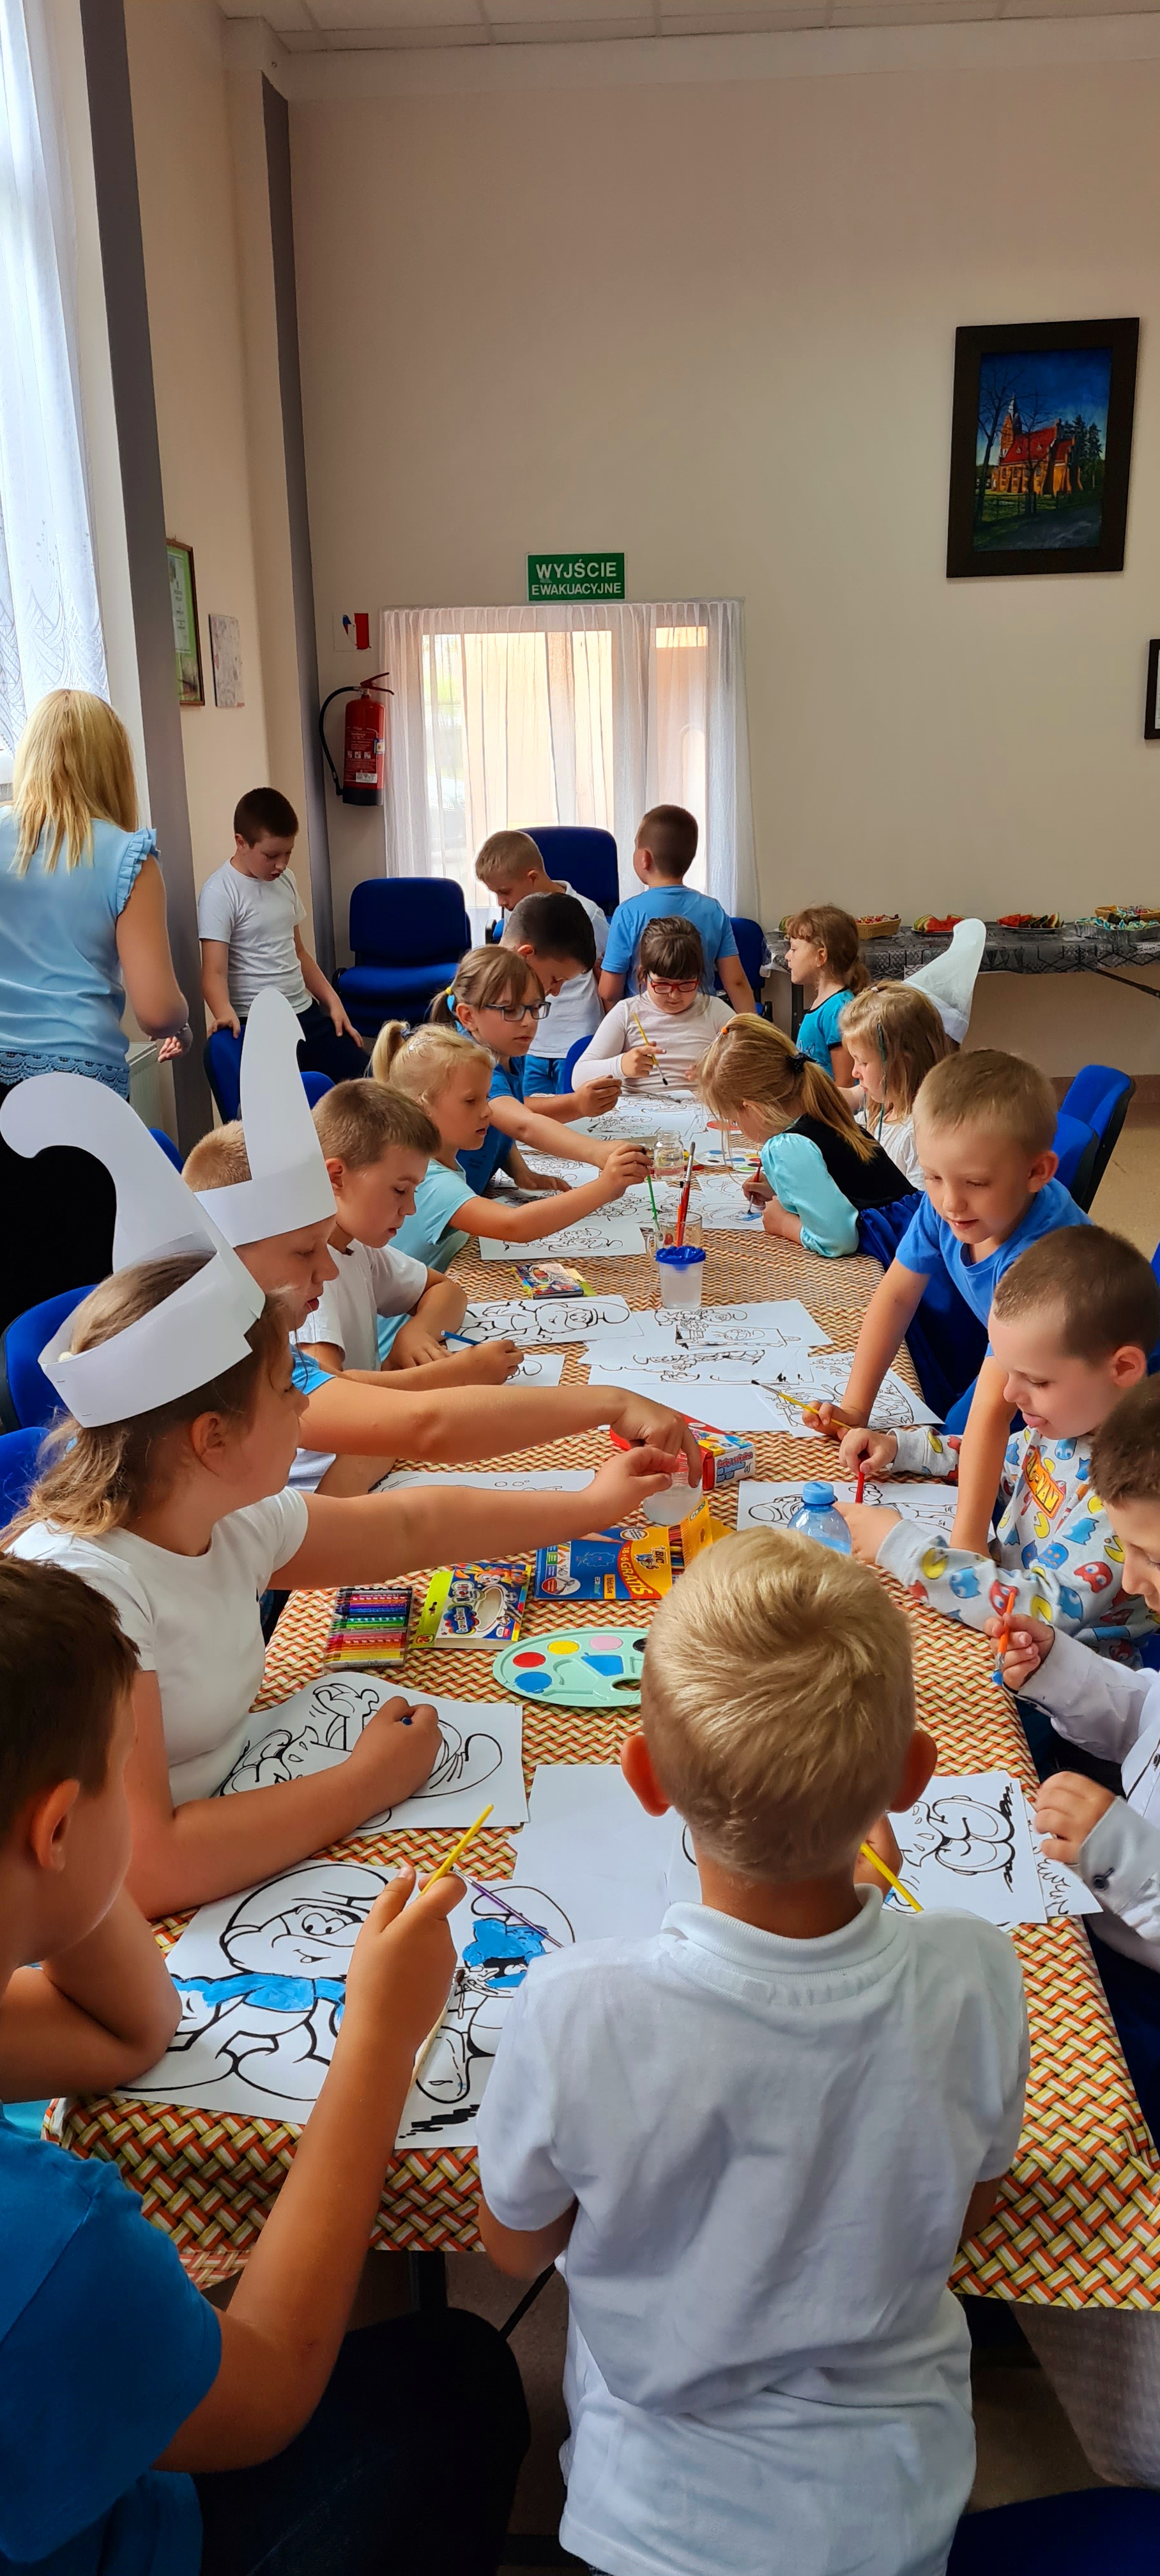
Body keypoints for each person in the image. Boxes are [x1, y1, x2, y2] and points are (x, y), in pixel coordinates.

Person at [477, 1527, 1028, 2576]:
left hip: (649, 2522)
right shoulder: (976, 1967)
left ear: (642, 1776)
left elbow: (512, 2249)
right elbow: (966, 2210)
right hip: (897, 2509)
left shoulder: (575, 2006)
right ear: (912, 1776)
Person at [0, 1556, 529, 2576]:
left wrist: (61, 1875)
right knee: (460, 2378)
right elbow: (269, 2391)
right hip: (131, 2532)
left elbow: (132, 2031)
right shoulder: (55, 2241)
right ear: (57, 1825)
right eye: (127, 1775)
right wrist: (379, 2034)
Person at [184, 990, 704, 1500]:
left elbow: (436, 1310)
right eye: (305, 1251)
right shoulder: (295, 1322)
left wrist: (417, 1351)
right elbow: (408, 1431)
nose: (328, 1266)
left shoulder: (338, 1261)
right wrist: (456, 1376)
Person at [836, 1227, 1159, 1667]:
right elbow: (1001, 1463)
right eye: (1008, 1372)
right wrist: (901, 1449)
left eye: (1037, 1381)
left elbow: (1043, 1610)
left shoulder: (1131, 1495)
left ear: (1121, 1368)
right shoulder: (1066, 1425)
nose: (1009, 1395)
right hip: (996, 1625)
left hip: (1055, 1683)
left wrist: (902, 1548)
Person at [813, 1051, 1088, 1551]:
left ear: (1037, 1172)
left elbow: (993, 1411)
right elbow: (895, 1297)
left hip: (1096, 1398)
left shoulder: (1041, 1259)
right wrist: (855, 1408)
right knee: (940, 1448)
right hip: (1018, 1365)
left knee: (968, 1463)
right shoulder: (945, 1206)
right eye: (933, 1177)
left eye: (975, 1184)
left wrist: (966, 1547)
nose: (950, 1203)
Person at [992, 1375, 1160, 2144]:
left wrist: (1119, 1849)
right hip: (1103, 1915)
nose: (1128, 1580)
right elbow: (1142, 1717)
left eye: (1148, 1554)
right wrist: (1059, 1669)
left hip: (1139, 1998)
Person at [0, 688, 189, 1330]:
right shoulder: (126, 855)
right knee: (77, 1299)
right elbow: (157, 1011)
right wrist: (184, 1018)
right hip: (76, 1103)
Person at [298, 1079, 521, 1406]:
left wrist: (417, 1332)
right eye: (400, 1190)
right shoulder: (309, 1277)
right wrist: (453, 1375)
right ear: (336, 1177)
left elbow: (445, 1290)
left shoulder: (356, 1245)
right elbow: (327, 1396)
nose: (411, 1208)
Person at [369, 1023, 643, 1267]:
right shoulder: (429, 1181)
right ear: (423, 1107)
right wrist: (606, 1186)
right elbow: (515, 1226)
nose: (488, 1111)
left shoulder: (432, 1161)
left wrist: (518, 1168)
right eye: (471, 1101)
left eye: (487, 1098)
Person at [696, 1013, 913, 1257]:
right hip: (917, 1236)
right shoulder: (823, 1114)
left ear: (753, 1108)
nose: (739, 1127)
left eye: (736, 1120)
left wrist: (784, 1224)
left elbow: (838, 1240)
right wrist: (784, 1192)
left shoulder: (786, 1147)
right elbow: (843, 1187)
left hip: (899, 1251)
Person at [197, 786, 365, 1083]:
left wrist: (333, 1002)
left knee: (368, 1079)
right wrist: (223, 1012)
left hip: (304, 1012)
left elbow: (299, 952)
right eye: (271, 855)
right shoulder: (219, 892)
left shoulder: (286, 879)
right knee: (294, 1099)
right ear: (241, 842)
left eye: (288, 853)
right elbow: (214, 972)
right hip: (257, 1022)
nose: (282, 864)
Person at [431, 946, 624, 1200]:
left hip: (473, 1195)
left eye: (534, 1008)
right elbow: (523, 1125)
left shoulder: (508, 1051)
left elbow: (500, 1120)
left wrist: (519, 1171)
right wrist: (598, 1152)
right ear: (468, 1016)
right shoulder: (470, 1064)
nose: (529, 1022)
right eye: (510, 1010)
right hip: (449, 1204)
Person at [473, 827, 609, 1092]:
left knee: (573, 1108)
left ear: (532, 877)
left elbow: (604, 967)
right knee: (532, 1106)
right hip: (533, 1040)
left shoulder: (588, 913)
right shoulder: (516, 912)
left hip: (574, 1038)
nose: (501, 902)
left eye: (505, 892)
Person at [598, 806, 756, 1012]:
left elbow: (610, 991)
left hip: (645, 1026)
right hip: (702, 1022)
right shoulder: (713, 910)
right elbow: (736, 982)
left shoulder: (627, 913)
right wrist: (751, 1027)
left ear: (644, 858)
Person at [571, 916, 733, 1098]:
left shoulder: (714, 1011)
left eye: (686, 984)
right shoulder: (627, 1012)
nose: (674, 995)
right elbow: (579, 1077)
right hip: (638, 1112)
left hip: (700, 1110)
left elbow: (755, 1065)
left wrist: (717, 1074)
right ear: (643, 975)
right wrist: (621, 1065)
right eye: (662, 984)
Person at [838, 982, 950, 1184]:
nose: (855, 1072)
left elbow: (919, 1202)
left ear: (902, 1064)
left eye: (863, 1062)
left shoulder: (916, 1136)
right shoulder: (877, 1114)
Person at [781, 905, 869, 1085]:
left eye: (794, 949)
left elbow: (845, 1083)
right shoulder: (825, 1003)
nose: (787, 956)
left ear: (821, 956)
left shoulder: (838, 1010)